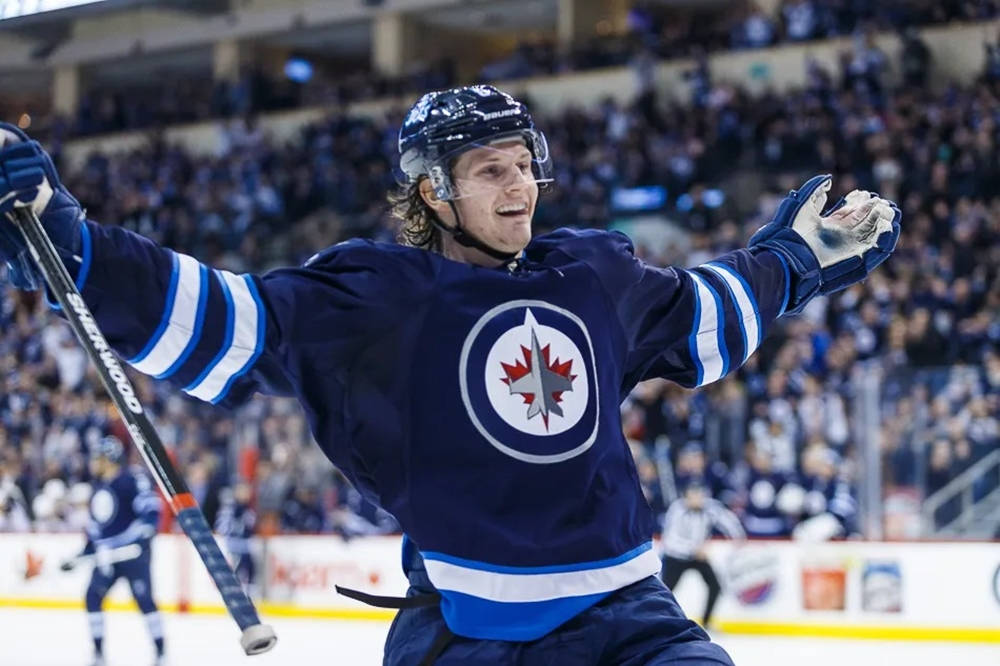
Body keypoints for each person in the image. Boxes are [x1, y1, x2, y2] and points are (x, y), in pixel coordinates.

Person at [0, 84, 899, 664]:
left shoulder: (592, 276)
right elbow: (222, 318)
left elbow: (708, 311)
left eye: (524, 166)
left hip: (633, 623)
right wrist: (71, 246)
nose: (519, 189)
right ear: (434, 192)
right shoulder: (377, 301)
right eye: (489, 171)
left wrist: (792, 261)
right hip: (472, 637)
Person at [60, 436, 163, 666]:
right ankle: (98, 653)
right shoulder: (99, 488)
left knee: (144, 600)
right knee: (92, 597)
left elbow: (151, 509)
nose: (94, 462)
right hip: (107, 556)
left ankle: (161, 650)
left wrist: (146, 532)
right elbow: (96, 529)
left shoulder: (132, 478)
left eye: (98, 457)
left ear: (110, 458)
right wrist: (82, 555)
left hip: (133, 553)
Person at [659, 480, 745, 629]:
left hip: (699, 557)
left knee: (715, 587)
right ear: (686, 496)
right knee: (664, 592)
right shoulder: (677, 510)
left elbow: (729, 521)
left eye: (700, 495)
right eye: (693, 495)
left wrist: (739, 540)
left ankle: (706, 622)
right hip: (676, 557)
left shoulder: (711, 507)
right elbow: (670, 540)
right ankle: (659, 622)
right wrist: (693, 549)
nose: (698, 499)